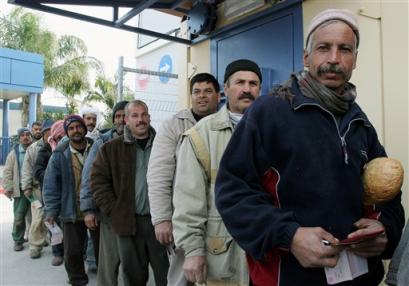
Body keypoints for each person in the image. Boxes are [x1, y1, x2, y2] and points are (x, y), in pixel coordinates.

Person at [214, 9, 405, 286]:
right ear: (306, 56)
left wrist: (385, 229)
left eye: (345, 49)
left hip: (360, 278)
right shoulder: (269, 112)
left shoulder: (360, 122)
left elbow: (388, 197)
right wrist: (289, 235)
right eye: (323, 48)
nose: (334, 59)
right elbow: (232, 193)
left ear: (355, 60)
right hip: (288, 278)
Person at [172, 59, 262, 285]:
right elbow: (187, 199)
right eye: (240, 82)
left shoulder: (273, 129)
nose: (246, 89)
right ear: (226, 89)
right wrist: (193, 250)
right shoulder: (200, 135)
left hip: (264, 250)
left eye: (253, 83)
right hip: (222, 254)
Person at [147, 73, 220, 286]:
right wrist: (162, 218)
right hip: (183, 220)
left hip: (219, 220)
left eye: (208, 91)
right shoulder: (174, 126)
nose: (202, 97)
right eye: (196, 92)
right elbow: (159, 174)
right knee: (182, 277)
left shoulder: (225, 124)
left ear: (218, 95)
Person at [91, 100, 169, 286]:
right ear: (126, 120)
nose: (140, 120)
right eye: (135, 115)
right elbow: (97, 182)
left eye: (144, 115)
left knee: (167, 275)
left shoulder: (164, 145)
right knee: (133, 276)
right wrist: (115, 210)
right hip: (128, 223)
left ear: (149, 117)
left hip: (161, 223)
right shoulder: (111, 148)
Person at [43, 115, 97, 286]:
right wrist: (51, 210)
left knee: (101, 250)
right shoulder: (59, 154)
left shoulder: (97, 148)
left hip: (96, 210)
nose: (76, 131)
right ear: (67, 132)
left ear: (84, 128)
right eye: (71, 128)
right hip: (70, 210)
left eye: (79, 127)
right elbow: (51, 185)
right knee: (73, 252)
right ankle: (77, 280)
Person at [80, 100, 128, 286]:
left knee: (132, 263)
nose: (121, 120)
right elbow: (88, 176)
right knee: (108, 263)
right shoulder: (102, 142)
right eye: (117, 116)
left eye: (125, 115)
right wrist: (88, 210)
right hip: (109, 214)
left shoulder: (145, 139)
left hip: (136, 214)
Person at [33, 120, 66, 266]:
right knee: (54, 224)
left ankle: (72, 251)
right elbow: (37, 171)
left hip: (67, 193)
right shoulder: (45, 150)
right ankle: (57, 253)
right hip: (50, 193)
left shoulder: (68, 148)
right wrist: (53, 174)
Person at [21, 119, 54, 259]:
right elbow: (27, 169)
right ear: (44, 133)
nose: (50, 134)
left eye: (52, 131)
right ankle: (35, 246)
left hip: (53, 190)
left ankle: (47, 240)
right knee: (38, 218)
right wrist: (26, 187)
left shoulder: (58, 146)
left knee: (51, 217)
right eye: (47, 131)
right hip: (36, 189)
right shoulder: (33, 148)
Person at [3, 127, 33, 251]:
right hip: (20, 190)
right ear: (19, 138)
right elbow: (7, 172)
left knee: (38, 217)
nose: (25, 137)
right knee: (19, 217)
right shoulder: (13, 154)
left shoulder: (35, 149)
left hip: (34, 189)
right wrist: (8, 188)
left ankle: (38, 239)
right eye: (22, 135)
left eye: (27, 134)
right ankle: (18, 240)